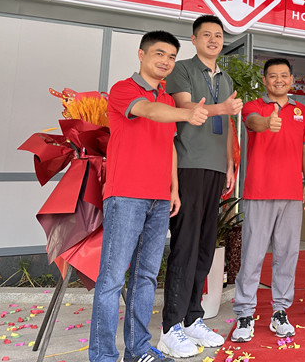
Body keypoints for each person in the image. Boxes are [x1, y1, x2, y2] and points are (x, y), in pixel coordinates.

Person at [90, 31, 208, 362]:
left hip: (159, 199)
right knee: (112, 280)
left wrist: (173, 188)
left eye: (171, 57)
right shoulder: (123, 90)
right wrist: (187, 114)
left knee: (145, 278)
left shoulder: (168, 101)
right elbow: (148, 111)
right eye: (159, 54)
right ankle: (103, 356)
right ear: (141, 55)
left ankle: (138, 350)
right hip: (126, 196)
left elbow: (169, 145)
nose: (166, 61)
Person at [158, 15, 242, 358]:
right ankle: (170, 327)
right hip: (188, 164)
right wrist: (221, 108)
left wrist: (230, 164)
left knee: (206, 245)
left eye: (218, 35)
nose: (213, 40)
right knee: (186, 244)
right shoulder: (182, 69)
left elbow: (227, 124)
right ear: (194, 39)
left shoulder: (226, 78)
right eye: (206, 34)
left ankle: (193, 317)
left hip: (215, 168)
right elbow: (183, 106)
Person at [230, 58, 305, 343]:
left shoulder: (302, 111)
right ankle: (244, 313)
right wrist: (267, 122)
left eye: (284, 75)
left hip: (291, 193)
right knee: (252, 255)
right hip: (259, 192)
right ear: (265, 80)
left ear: (291, 79)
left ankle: (280, 312)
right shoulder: (254, 107)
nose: (278, 80)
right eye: (272, 76)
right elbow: (252, 123)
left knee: (286, 255)